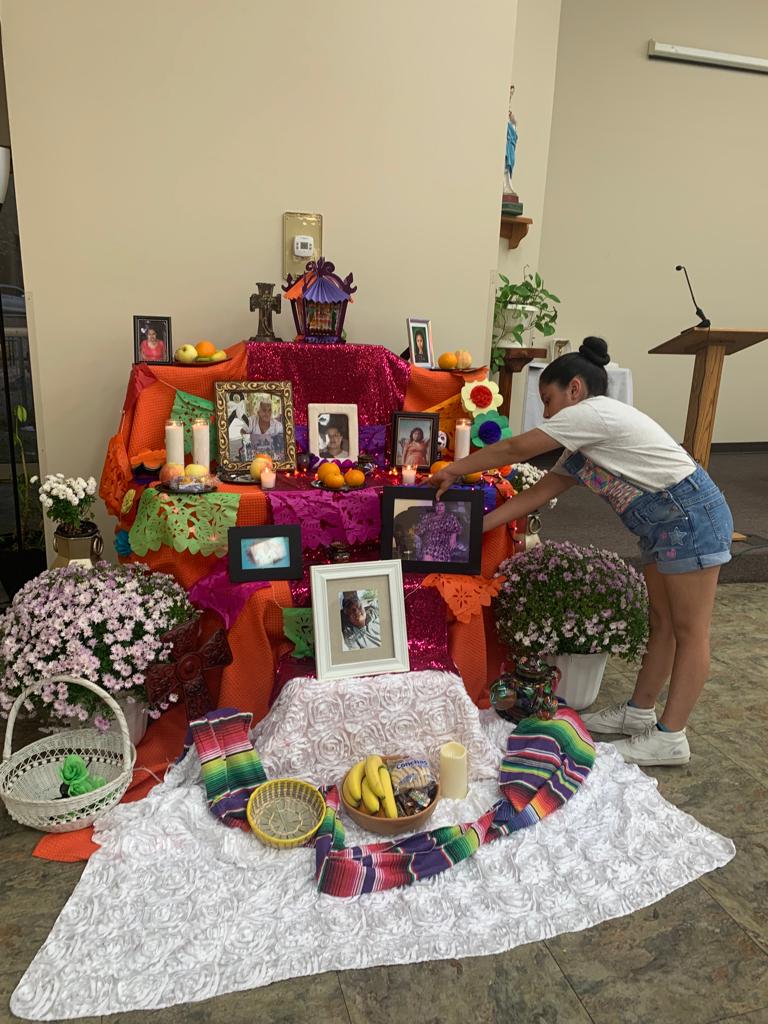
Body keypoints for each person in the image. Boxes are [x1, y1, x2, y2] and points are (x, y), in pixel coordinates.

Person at [431, 336, 733, 768]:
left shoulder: (594, 413)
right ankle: (639, 713)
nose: (548, 413)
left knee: (690, 631)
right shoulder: (583, 441)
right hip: (664, 521)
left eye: (549, 400)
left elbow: (516, 449)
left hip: (688, 516)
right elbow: (537, 494)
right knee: (662, 623)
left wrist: (454, 468)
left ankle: (670, 737)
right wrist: (474, 529)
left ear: (575, 388)